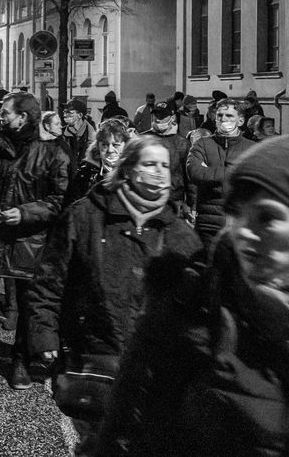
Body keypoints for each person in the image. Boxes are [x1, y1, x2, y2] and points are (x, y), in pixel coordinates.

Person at [97, 136, 289, 455]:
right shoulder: (188, 301)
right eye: (236, 214)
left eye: (267, 217)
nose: (243, 231)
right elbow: (128, 413)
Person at [28, 136, 203, 448]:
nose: (159, 172)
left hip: (151, 371)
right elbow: (50, 278)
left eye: (165, 165)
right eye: (150, 164)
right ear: (129, 170)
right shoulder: (84, 216)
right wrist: (44, 332)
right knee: (91, 442)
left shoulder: (182, 236)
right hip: (90, 355)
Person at [0, 92, 71, 389]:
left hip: (28, 238)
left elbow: (58, 200)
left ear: (23, 117)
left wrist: (24, 213)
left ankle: (19, 360)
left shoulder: (52, 152)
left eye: (5, 112)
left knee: (27, 301)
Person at [185, 98, 255, 248]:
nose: (224, 119)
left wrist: (210, 172)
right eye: (220, 115)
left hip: (238, 225)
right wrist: (235, 173)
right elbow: (195, 173)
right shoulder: (202, 143)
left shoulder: (252, 149)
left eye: (229, 116)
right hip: (208, 224)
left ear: (240, 121)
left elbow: (252, 182)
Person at [64, 119, 131, 207]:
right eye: (104, 145)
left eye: (116, 145)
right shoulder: (84, 173)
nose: (110, 150)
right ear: (98, 146)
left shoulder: (134, 174)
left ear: (126, 146)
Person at [145, 100, 191, 212]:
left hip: (173, 200)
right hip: (147, 198)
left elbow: (189, 176)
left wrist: (190, 203)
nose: (158, 119)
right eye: (156, 115)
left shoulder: (182, 143)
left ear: (173, 118)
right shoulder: (143, 139)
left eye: (163, 116)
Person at [61, 98, 96, 170]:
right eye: (64, 112)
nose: (64, 115)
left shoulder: (92, 134)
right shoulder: (61, 133)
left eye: (69, 113)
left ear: (80, 115)